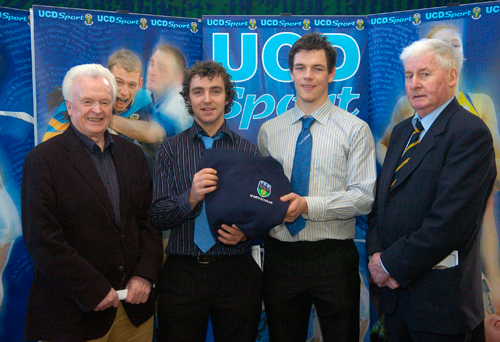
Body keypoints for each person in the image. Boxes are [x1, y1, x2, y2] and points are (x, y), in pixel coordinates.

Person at [22, 64, 163, 342]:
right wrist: (93, 289)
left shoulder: (133, 156)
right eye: (87, 101)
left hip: (133, 311)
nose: (97, 110)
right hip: (74, 312)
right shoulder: (42, 160)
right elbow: (43, 240)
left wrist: (145, 276)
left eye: (104, 102)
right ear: (69, 106)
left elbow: (149, 223)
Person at [367, 38, 496, 341]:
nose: (414, 84)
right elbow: (380, 206)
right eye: (409, 75)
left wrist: (389, 265)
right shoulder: (401, 132)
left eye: (425, 74)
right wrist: (375, 256)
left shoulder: (470, 134)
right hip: (395, 305)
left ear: (452, 77)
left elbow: (448, 224)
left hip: (441, 308)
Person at [257, 32, 376, 342]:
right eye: (300, 67)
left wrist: (309, 205)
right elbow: (263, 194)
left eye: (317, 68)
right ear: (291, 72)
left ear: (332, 73)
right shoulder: (270, 131)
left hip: (333, 258)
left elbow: (364, 198)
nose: (307, 76)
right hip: (281, 257)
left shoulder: (355, 130)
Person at [151, 60, 262, 342]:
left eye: (215, 91)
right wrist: (190, 198)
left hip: (236, 273)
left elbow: (261, 214)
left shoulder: (248, 150)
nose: (207, 99)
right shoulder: (169, 149)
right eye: (198, 91)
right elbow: (158, 216)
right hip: (182, 274)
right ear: (187, 98)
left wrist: (246, 233)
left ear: (228, 97)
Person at [43, 49, 165, 145]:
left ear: (139, 84)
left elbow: (155, 134)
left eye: (131, 85)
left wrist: (108, 119)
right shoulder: (76, 102)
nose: (124, 92)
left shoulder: (143, 101)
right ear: (107, 79)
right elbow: (48, 148)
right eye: (119, 82)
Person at [146, 45, 193, 136]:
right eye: (152, 64)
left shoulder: (180, 106)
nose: (152, 72)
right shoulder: (148, 94)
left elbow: (151, 135)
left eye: (162, 69)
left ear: (178, 79)